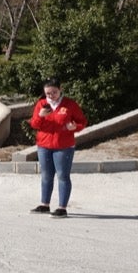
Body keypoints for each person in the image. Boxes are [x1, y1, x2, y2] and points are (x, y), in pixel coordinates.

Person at [29, 78, 87, 218]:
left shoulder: (69, 104)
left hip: (64, 146)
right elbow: (34, 125)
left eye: (54, 92)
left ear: (60, 90)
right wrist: (41, 116)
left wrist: (75, 127)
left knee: (62, 175)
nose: (51, 96)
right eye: (48, 93)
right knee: (46, 176)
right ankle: (45, 205)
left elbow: (82, 122)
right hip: (44, 145)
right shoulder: (41, 104)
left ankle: (62, 208)